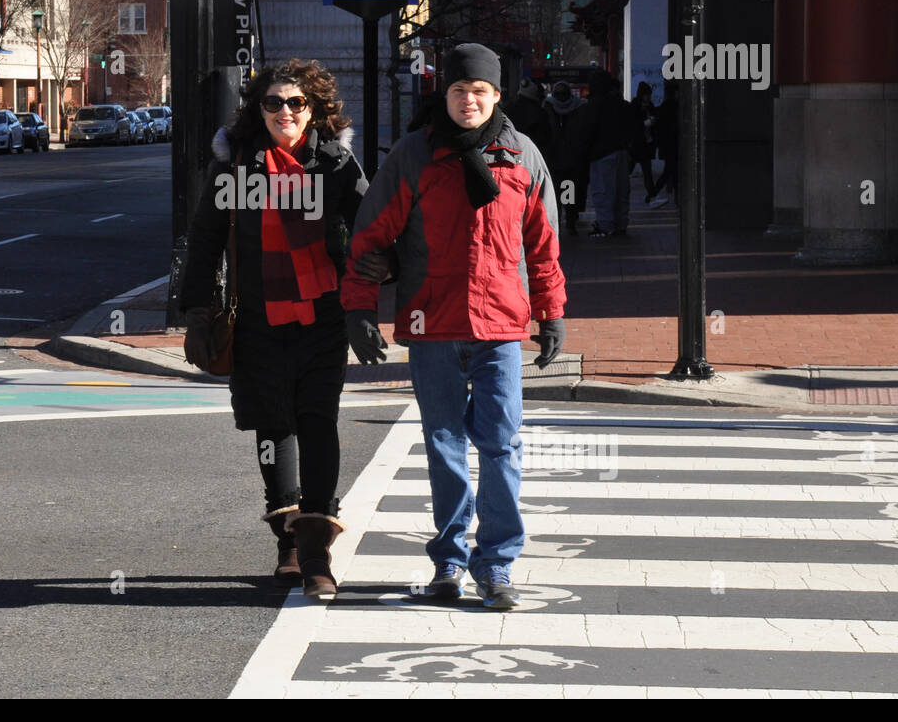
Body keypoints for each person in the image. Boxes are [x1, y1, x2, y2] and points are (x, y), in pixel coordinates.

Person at [342, 43, 567, 609]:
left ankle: (497, 566)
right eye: (460, 91)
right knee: (443, 444)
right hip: (432, 321)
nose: (470, 100)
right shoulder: (415, 154)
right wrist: (360, 309)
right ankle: (449, 563)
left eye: (480, 91)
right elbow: (370, 236)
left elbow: (542, 246)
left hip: (500, 326)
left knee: (501, 444)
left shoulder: (522, 157)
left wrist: (552, 311)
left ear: (496, 96)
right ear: (444, 94)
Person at [180, 59, 369, 598]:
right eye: (273, 103)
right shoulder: (235, 167)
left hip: (323, 316)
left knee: (317, 422)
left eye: (296, 103)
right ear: (257, 110)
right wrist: (197, 313)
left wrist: (366, 301)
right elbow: (205, 241)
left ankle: (315, 551)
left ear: (314, 108)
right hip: (257, 318)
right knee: (273, 424)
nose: (285, 112)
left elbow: (371, 234)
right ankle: (287, 542)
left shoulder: (334, 163)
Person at [584, 69, 634, 237]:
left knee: (603, 191)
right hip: (621, 151)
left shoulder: (593, 105)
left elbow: (588, 130)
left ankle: (606, 225)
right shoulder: (621, 104)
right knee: (621, 191)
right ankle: (621, 223)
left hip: (601, 154)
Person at [542, 81, 590, 235]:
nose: (561, 98)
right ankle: (566, 221)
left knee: (564, 191)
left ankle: (567, 220)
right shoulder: (577, 108)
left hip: (565, 159)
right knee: (561, 192)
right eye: (559, 94)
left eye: (564, 94)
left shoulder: (548, 107)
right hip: (562, 158)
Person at [502, 78, 552, 160]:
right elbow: (544, 138)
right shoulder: (539, 112)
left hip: (508, 150)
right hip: (532, 153)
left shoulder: (509, 106)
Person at [628, 81, 660, 202]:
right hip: (636, 145)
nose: (648, 97)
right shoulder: (635, 106)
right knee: (629, 171)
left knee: (647, 173)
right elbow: (632, 125)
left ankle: (652, 196)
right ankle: (652, 196)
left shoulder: (649, 105)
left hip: (645, 144)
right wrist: (645, 123)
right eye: (647, 94)